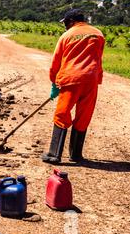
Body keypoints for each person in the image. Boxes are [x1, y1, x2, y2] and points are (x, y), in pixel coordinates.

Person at [42, 9, 105, 164]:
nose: (65, 26)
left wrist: (54, 83)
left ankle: (54, 154)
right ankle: (76, 155)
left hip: (71, 79)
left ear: (71, 22)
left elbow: (56, 62)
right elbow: (98, 57)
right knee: (84, 116)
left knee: (62, 114)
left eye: (65, 23)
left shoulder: (67, 35)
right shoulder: (98, 34)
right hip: (91, 80)